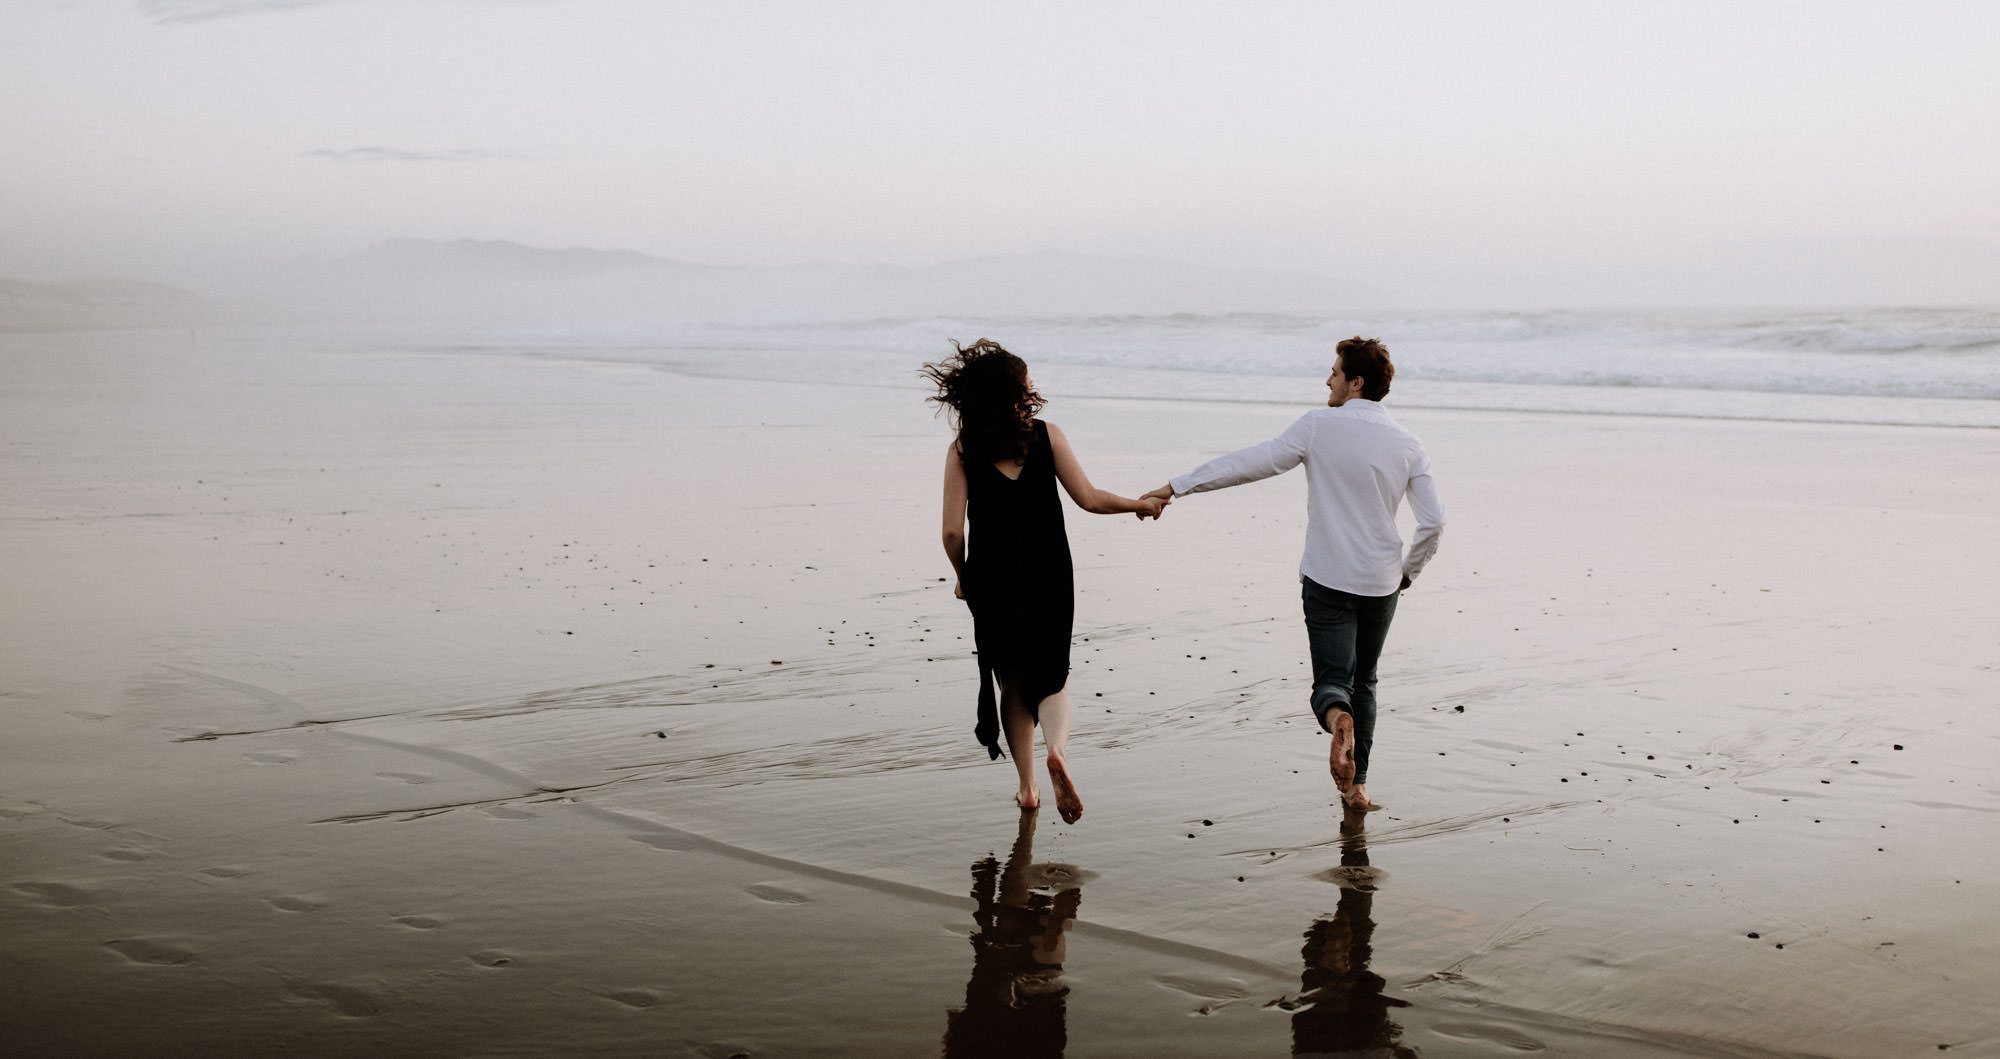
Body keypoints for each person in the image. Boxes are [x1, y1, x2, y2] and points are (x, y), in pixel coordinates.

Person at [1142, 336, 1443, 812]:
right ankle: (1358, 788)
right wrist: (1409, 571)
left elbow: (1250, 463)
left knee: (1332, 683)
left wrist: (1176, 487)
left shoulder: (1318, 426)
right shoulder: (1408, 443)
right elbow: (1433, 522)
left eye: (1335, 373)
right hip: (1381, 581)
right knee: (1365, 680)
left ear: (1356, 382)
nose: (1327, 380)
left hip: (1328, 577)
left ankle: (1338, 720)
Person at [926, 339, 1167, 823]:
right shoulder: (1047, 436)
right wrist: (1139, 505)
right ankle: (1057, 750)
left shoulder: (963, 450)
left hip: (993, 577)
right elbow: (1090, 498)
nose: (1033, 385)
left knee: (1012, 680)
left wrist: (963, 576)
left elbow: (952, 531)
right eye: (1027, 381)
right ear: (1014, 392)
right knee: (1053, 674)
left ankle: (1028, 787)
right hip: (1049, 571)